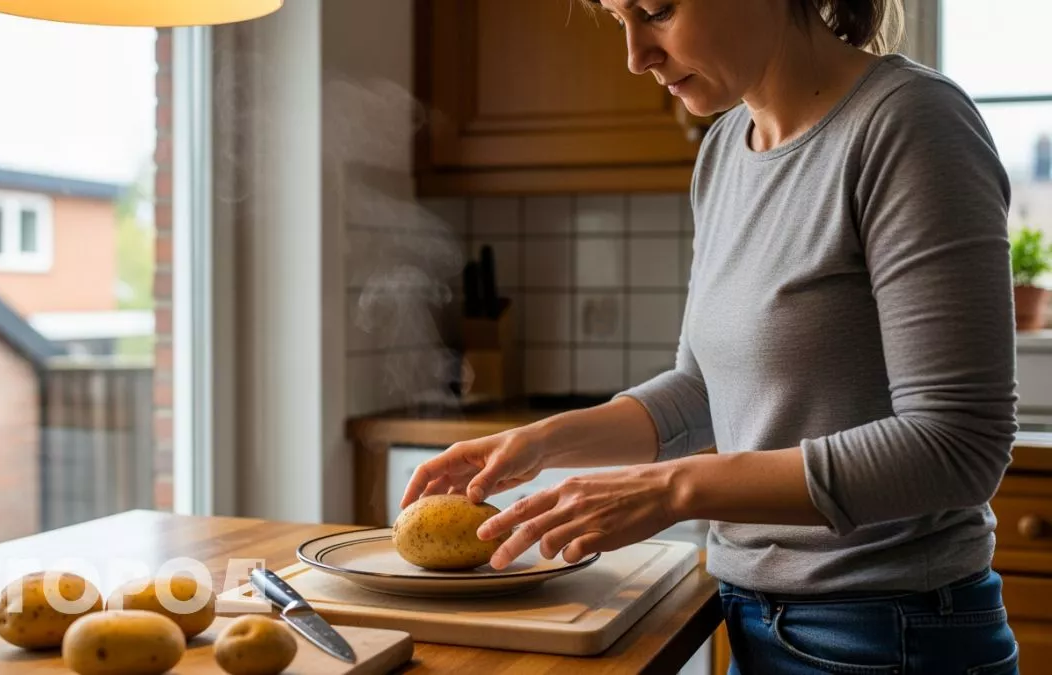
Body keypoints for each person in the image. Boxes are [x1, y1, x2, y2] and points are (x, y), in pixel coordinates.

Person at [399, 0, 1022, 672]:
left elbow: (957, 444)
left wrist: (672, 490)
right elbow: (703, 392)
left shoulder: (910, 123)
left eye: (657, 11)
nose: (637, 55)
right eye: (619, 21)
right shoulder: (725, 149)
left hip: (890, 635)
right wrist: (543, 442)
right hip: (750, 618)